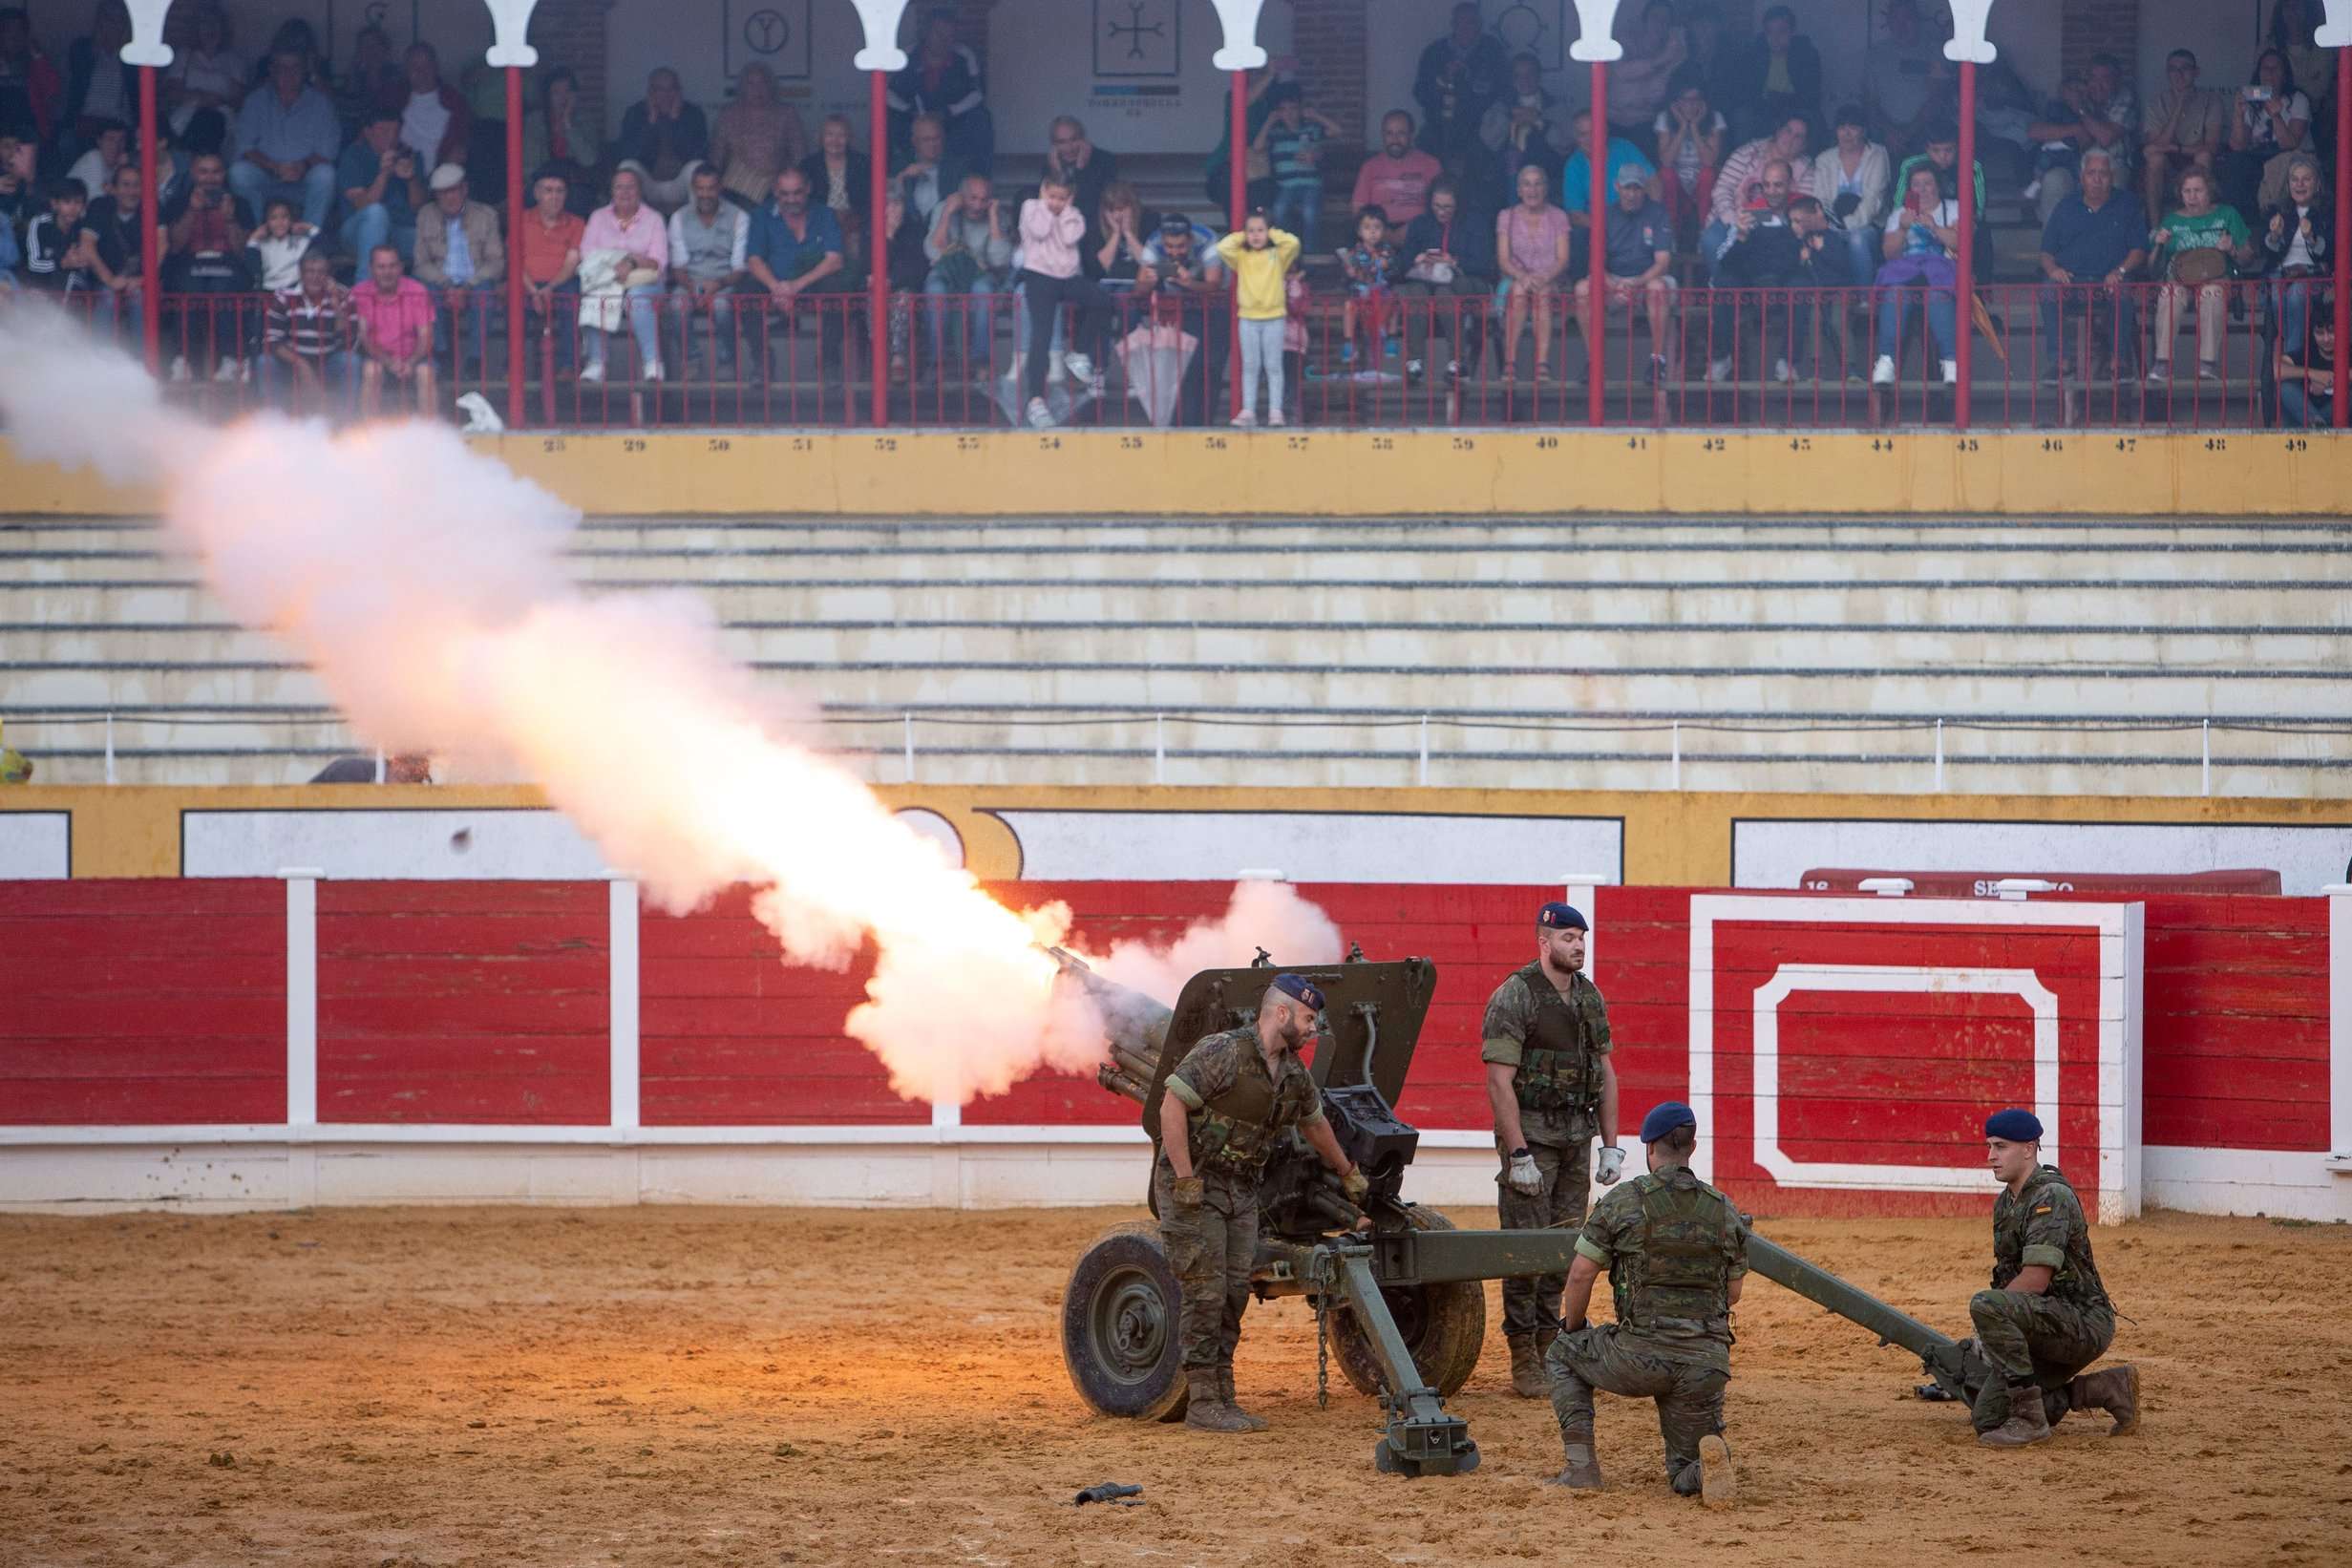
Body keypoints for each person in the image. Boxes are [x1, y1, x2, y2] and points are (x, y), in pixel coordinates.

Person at [1155, 975, 1369, 1434]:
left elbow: (1315, 1126)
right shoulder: (1224, 1051)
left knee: (1234, 1290)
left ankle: (1223, 1395)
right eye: (1309, 1019)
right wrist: (1186, 1178)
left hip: (1241, 1190)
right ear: (1282, 1013)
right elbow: (1171, 1106)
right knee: (1206, 1290)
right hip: (1197, 1187)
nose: (1315, 1028)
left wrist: (1348, 1173)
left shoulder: (1293, 1074)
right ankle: (1202, 1401)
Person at [1545, 1100, 1740, 1502]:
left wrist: (1575, 1327)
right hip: (1704, 1363)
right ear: (1693, 1146)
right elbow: (1732, 1293)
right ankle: (1702, 1471)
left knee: (1562, 1353)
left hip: (1639, 1358)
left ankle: (1581, 1469)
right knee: (1683, 1468)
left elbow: (1581, 1274)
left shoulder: (1624, 1201)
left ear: (1649, 1148)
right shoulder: (1723, 1209)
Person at [1485, 901, 1623, 1397]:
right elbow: (1500, 1082)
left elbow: (1605, 1072)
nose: (1578, 945)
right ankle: (1524, 1354)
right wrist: (1518, 1154)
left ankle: (1552, 1348)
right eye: (1567, 937)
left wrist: (1611, 1146)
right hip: (1535, 1141)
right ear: (1544, 943)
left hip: (1574, 1141)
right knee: (1526, 1249)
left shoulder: (1589, 997)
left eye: (1581, 937)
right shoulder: (1516, 995)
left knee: (1567, 1248)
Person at [1964, 1109, 2140, 1448]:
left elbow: (2034, 1280)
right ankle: (2105, 1389)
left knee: (1985, 1305)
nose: (1990, 1157)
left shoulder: (2050, 1197)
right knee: (1987, 1419)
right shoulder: (2006, 1204)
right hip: (2043, 1320)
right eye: (1989, 1147)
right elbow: (2008, 1281)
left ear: (2029, 1149)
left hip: (2081, 1322)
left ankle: (2030, 1420)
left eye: (2000, 1147)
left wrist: (1991, 1320)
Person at [2036, 147, 2148, 383]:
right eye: (2091, 173)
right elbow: (2046, 253)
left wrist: (2120, 271)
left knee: (2123, 291)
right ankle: (2060, 362)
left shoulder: (2127, 204)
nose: (2097, 179)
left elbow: (2139, 250)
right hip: (2072, 283)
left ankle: (2119, 363)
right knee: (2048, 290)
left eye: (2103, 173)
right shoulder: (2066, 206)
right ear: (2081, 176)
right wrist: (2054, 271)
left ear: (2112, 176)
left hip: (2110, 282)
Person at [1704, 159, 1810, 383]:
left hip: (1786, 279)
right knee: (1724, 281)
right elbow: (1723, 258)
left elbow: (1821, 251)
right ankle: (1721, 358)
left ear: (1790, 184)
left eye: (1778, 185)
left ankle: (1788, 362)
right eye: (1767, 185)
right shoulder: (1753, 212)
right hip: (1752, 281)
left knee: (1800, 285)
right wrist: (1740, 235)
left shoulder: (1804, 209)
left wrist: (1801, 239)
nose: (1772, 191)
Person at [2148, 170, 2253, 385]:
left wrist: (2232, 248)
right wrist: (2158, 244)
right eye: (2187, 191)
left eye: (2198, 190)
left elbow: (2248, 257)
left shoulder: (2227, 214)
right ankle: (2163, 362)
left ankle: (2208, 363)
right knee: (2168, 294)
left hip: (2216, 277)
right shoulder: (2172, 219)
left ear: (2210, 191)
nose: (2192, 197)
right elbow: (2151, 267)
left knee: (2211, 293)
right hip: (2179, 277)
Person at [746, 166, 850, 382]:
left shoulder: (824, 214)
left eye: (797, 192)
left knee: (835, 289)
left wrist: (795, 287)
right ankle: (762, 360)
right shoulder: (762, 215)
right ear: (775, 191)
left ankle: (829, 360)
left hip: (812, 283)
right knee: (746, 290)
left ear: (808, 189)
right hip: (775, 286)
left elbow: (835, 260)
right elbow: (753, 260)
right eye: (785, 194)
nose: (791, 199)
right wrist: (777, 288)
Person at [1576, 166, 1677, 385]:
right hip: (1613, 279)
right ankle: (1594, 361)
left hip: (1648, 279)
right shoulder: (1605, 215)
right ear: (1617, 187)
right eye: (1627, 188)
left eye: (1637, 189)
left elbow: (1663, 262)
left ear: (1645, 190)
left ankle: (1657, 360)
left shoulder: (1658, 213)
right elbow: (1595, 262)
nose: (1631, 194)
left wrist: (1636, 284)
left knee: (1658, 288)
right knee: (1582, 289)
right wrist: (1613, 285)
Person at [161, 150, 253, 380]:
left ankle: (231, 360)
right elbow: (174, 246)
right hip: (189, 263)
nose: (209, 178)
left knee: (224, 293)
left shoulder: (239, 203)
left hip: (228, 263)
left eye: (215, 172)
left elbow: (244, 251)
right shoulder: (178, 203)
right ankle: (183, 360)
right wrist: (192, 210)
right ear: (193, 173)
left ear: (224, 174)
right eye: (203, 172)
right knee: (188, 291)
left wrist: (230, 218)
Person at [1870, 163, 1961, 388]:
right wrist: (1902, 229)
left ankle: (1951, 361)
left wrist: (1934, 227)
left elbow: (1960, 243)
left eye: (1928, 183)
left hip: (1942, 272)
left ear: (1938, 186)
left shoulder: (1954, 207)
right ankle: (1886, 361)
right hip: (1906, 272)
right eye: (1916, 185)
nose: (1923, 189)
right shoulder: (1899, 214)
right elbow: (1889, 254)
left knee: (1938, 295)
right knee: (1895, 294)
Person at [1134, 210, 1230, 425]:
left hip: (1217, 307)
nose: (1174, 252)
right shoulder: (1154, 242)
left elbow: (1214, 284)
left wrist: (1188, 283)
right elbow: (1139, 286)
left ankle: (1204, 424)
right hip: (1182, 308)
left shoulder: (1207, 239)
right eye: (1169, 247)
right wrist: (1148, 282)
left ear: (1190, 240)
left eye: (1180, 247)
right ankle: (1182, 424)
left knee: (1211, 367)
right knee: (1185, 368)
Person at [1395, 177, 1493, 385]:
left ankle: (1457, 361)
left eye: (1448, 207)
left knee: (1444, 295)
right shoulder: (1421, 224)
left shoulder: (1474, 223)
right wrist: (1418, 258)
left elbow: (1485, 264)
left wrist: (1454, 261)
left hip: (1465, 283)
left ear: (1458, 204)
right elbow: (1402, 264)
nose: (1441, 212)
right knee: (1416, 293)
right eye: (1437, 206)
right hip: (1426, 283)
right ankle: (1414, 362)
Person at [229, 48, 338, 229]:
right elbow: (245, 146)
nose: (289, 73)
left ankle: (308, 238)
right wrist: (275, 167)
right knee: (239, 173)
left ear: (304, 71)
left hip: (304, 179)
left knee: (325, 175)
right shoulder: (256, 101)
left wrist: (302, 166)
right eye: (282, 68)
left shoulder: (320, 103)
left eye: (295, 68)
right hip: (267, 177)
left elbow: (328, 151)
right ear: (272, 70)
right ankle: (257, 237)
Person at [578, 167, 667, 383]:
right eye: (619, 187)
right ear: (611, 191)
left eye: (630, 187)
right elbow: (587, 253)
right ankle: (596, 363)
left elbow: (659, 262)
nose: (625, 192)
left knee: (637, 298)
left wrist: (632, 261)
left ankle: (652, 363)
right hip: (607, 280)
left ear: (640, 191)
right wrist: (616, 266)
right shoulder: (598, 217)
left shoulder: (654, 219)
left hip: (644, 281)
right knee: (596, 298)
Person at [2025, 53, 2137, 225]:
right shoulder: (2077, 94)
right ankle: (2052, 247)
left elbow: (2105, 137)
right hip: (2074, 163)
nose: (2098, 85)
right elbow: (2034, 131)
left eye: (2105, 79)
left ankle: (2105, 247)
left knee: (2112, 183)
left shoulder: (2124, 97)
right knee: (2054, 180)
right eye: (2093, 78)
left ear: (2116, 80)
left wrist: (2080, 109)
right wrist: (2075, 128)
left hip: (2112, 163)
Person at [413, 164, 504, 370]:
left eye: (453, 190)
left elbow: (496, 262)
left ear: (464, 189)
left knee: (485, 292)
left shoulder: (486, 215)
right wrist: (446, 284)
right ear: (436, 195)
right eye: (443, 193)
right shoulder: (425, 215)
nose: (449, 198)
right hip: (440, 281)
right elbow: (421, 263)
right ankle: (441, 352)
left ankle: (475, 358)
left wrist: (467, 286)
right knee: (424, 290)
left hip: (475, 281)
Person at [1217, 209, 1302, 428]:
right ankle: (1249, 410)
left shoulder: (1278, 255)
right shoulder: (1241, 256)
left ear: (1269, 231)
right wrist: (1241, 235)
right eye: (1251, 231)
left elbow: (1293, 243)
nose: (1256, 235)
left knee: (1273, 365)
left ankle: (1275, 411)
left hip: (1274, 317)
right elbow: (1222, 247)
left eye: (1260, 230)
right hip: (1248, 317)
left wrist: (1272, 233)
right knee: (1250, 366)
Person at [922, 171, 1011, 373]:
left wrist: (994, 220)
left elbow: (999, 260)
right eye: (973, 198)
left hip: (981, 275)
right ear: (961, 196)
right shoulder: (943, 209)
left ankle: (981, 360)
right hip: (946, 272)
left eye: (984, 200)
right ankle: (936, 362)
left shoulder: (997, 215)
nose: (978, 205)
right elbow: (932, 251)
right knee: (935, 289)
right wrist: (947, 214)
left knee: (983, 289)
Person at [888, 6, 991, 174]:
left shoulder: (964, 57)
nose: (944, 40)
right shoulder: (906, 56)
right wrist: (909, 111)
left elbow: (977, 93)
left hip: (951, 122)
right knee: (885, 121)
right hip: (911, 118)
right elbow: (887, 93)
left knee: (981, 119)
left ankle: (979, 179)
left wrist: (949, 112)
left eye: (950, 35)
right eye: (939, 34)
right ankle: (887, 177)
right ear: (926, 32)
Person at [667, 165, 749, 375]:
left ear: (720, 188)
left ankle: (727, 361)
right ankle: (691, 360)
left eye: (710, 188)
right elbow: (678, 267)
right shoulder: (678, 218)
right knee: (677, 304)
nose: (705, 194)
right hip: (690, 282)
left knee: (721, 306)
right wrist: (693, 287)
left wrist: (717, 285)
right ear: (693, 189)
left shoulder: (739, 217)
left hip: (725, 282)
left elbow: (739, 268)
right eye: (700, 189)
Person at [1704, 114, 1810, 274]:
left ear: (1804, 144)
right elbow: (1722, 189)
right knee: (1711, 239)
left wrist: (1759, 216)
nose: (1791, 138)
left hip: (1780, 223)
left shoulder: (1806, 167)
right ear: (1778, 131)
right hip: (1733, 215)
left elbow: (1803, 207)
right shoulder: (1748, 153)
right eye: (1788, 131)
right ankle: (1722, 291)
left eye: (1799, 136)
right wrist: (1734, 220)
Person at [1495, 163, 1572, 385]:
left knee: (1543, 292)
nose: (1532, 190)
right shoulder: (1506, 216)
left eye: (1538, 184)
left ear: (1546, 188)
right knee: (1519, 292)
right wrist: (1523, 277)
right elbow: (1502, 259)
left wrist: (1543, 277)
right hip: (1515, 279)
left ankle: (1542, 364)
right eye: (1527, 184)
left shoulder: (1558, 216)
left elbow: (1563, 259)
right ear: (1519, 190)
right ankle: (1510, 362)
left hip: (1550, 281)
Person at [2223, 49, 2312, 225]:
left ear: (2285, 74)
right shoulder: (2253, 100)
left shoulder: (2297, 99)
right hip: (2259, 156)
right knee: (2236, 162)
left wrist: (2276, 115)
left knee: (2280, 164)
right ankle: (2239, 230)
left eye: (2275, 68)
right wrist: (2239, 114)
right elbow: (2237, 146)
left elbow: (2290, 144)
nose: (2270, 73)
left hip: (2291, 157)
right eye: (2265, 68)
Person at [1413, 2, 1507, 167]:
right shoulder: (1434, 52)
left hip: (1480, 128)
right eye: (1460, 22)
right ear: (1452, 25)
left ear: (1480, 25)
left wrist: (1470, 78)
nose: (1465, 27)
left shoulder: (1492, 50)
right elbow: (1420, 93)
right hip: (1439, 127)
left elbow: (1503, 90)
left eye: (1471, 22)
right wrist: (1443, 79)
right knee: (1425, 152)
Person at [261, 248, 353, 414]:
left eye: (321, 272)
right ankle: (275, 422)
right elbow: (272, 340)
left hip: (327, 362)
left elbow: (346, 340)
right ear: (301, 274)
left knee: (351, 361)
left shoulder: (343, 295)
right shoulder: (283, 296)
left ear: (328, 275)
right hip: (291, 363)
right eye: (310, 271)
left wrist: (336, 305)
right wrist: (301, 364)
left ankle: (345, 423)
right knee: (265, 362)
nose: (315, 277)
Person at [2138, 50, 2226, 224]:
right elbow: (2156, 145)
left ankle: (2200, 223)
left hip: (2197, 164)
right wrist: (2179, 107)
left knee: (2203, 156)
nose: (2178, 75)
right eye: (2173, 69)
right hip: (2168, 167)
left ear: (2196, 72)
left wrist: (2176, 148)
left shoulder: (2211, 100)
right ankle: (2155, 229)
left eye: (2185, 69)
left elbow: (2211, 145)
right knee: (2155, 159)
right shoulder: (2157, 102)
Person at [1715, 3, 1819, 146]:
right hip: (1762, 108)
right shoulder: (1754, 53)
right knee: (1742, 115)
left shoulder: (1806, 54)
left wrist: (1784, 101)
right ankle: (1743, 159)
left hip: (1795, 108)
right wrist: (1766, 101)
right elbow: (1745, 91)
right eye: (1770, 32)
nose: (1775, 38)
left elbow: (1811, 95)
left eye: (1781, 31)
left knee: (1813, 119)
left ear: (1792, 32)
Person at [1808, 103, 1889, 285]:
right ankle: (1833, 300)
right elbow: (1821, 200)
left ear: (1864, 131)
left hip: (1870, 224)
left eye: (1853, 127)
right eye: (1842, 127)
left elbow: (1873, 201)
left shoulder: (1878, 154)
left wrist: (1846, 227)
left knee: (1857, 239)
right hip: (1832, 225)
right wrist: (1833, 227)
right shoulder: (1824, 159)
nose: (1847, 133)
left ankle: (1865, 301)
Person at [1478, 53, 1572, 210]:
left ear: (1539, 76)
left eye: (1530, 74)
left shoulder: (1555, 106)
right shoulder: (1500, 105)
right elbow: (1488, 141)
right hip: (1506, 184)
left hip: (1550, 181)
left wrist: (1540, 122)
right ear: (1512, 79)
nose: (1525, 80)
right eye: (1518, 76)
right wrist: (1510, 119)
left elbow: (1567, 144)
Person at [351, 243, 435, 415]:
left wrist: (410, 362)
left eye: (392, 266)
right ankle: (369, 432)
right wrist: (389, 362)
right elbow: (364, 337)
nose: (387, 272)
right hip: (377, 357)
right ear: (371, 269)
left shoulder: (417, 291)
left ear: (400, 268)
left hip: (414, 358)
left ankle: (429, 431)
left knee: (426, 373)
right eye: (381, 267)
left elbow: (425, 336)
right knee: (371, 371)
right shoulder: (360, 293)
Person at [2259, 155, 2330, 358]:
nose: (2299, 184)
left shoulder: (2327, 212)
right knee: (2275, 297)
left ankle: (2291, 356)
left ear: (2317, 184)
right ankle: (2294, 354)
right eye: (2294, 179)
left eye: (2306, 179)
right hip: (2281, 273)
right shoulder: (2278, 211)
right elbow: (2268, 254)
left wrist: (2312, 238)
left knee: (2297, 296)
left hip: (2314, 274)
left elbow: (2331, 253)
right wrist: (2274, 236)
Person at [710, 63, 806, 212]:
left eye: (763, 83)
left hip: (777, 188)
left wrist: (791, 184)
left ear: (771, 86)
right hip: (736, 189)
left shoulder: (786, 113)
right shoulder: (728, 115)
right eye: (751, 83)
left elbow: (799, 156)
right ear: (742, 87)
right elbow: (716, 158)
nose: (757, 89)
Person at [517, 169, 585, 375]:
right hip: (527, 282)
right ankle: (513, 366)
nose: (554, 196)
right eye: (548, 191)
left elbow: (572, 261)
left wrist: (549, 288)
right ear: (536, 193)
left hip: (561, 282)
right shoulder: (520, 220)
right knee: (514, 304)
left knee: (571, 301)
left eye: (560, 191)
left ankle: (569, 366)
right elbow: (515, 261)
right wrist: (532, 291)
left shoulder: (576, 223)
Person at [615, 68, 710, 216]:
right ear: (650, 92)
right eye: (660, 90)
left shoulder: (693, 113)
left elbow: (696, 155)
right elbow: (629, 154)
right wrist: (651, 122)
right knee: (628, 166)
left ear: (679, 91)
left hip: (680, 185)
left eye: (671, 89)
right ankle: (633, 229)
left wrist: (675, 120)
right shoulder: (635, 113)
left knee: (696, 167)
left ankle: (695, 224)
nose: (666, 95)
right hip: (649, 184)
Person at [1257, 83, 1340, 245]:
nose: (1289, 113)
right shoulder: (1275, 133)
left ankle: (1310, 253)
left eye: (1293, 108)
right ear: (1278, 112)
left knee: (1310, 212)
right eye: (1283, 109)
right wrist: (1269, 121)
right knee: (1279, 210)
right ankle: (1287, 249)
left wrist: (1316, 116)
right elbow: (1258, 146)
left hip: (1311, 184)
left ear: (1300, 109)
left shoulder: (1311, 129)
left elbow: (1337, 130)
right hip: (1286, 185)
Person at [1560, 109, 1658, 246]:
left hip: (1635, 219)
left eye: (1594, 132)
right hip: (1598, 228)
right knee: (1579, 236)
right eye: (1583, 134)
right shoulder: (1574, 164)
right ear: (1576, 138)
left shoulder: (1624, 148)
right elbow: (1575, 214)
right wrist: (1609, 229)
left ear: (1605, 131)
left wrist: (1650, 216)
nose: (1590, 139)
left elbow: (1653, 182)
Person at [338, 109, 424, 265]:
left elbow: (419, 208)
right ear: (368, 132)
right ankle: (365, 286)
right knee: (376, 213)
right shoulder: (353, 156)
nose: (391, 137)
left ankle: (418, 288)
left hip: (401, 230)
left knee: (435, 241)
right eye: (384, 131)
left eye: (396, 131)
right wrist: (384, 174)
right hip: (358, 231)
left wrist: (411, 178)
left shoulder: (410, 155)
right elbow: (362, 205)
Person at [1655, 72, 1727, 252]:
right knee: (1666, 175)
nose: (1690, 105)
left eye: (1695, 100)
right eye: (1685, 100)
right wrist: (1681, 128)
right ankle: (1670, 234)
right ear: (1676, 101)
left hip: (1702, 182)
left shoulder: (1715, 118)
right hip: (1677, 182)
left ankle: (1705, 233)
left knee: (1708, 174)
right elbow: (1666, 161)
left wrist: (1694, 126)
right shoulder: (1664, 118)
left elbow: (1709, 161)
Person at [1865, 0, 1940, 158]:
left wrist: (1907, 133)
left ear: (1917, 20)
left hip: (1924, 134)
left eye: (1907, 18)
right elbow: (1869, 101)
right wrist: (1890, 132)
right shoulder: (1875, 55)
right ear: (1889, 22)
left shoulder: (1933, 52)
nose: (1901, 25)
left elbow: (1936, 99)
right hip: (1885, 135)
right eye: (1896, 19)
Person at [520, 68, 601, 217]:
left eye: (568, 92)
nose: (563, 97)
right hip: (541, 183)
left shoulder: (585, 120)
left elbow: (589, 160)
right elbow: (528, 165)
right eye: (556, 93)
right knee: (533, 197)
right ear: (547, 96)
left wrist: (568, 125)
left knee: (576, 199)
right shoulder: (534, 121)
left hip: (575, 184)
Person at [798, 114, 872, 267]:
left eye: (841, 135)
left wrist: (850, 217)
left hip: (854, 222)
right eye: (829, 135)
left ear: (849, 138)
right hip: (819, 222)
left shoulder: (862, 163)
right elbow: (803, 200)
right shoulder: (809, 165)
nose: (835, 141)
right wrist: (829, 217)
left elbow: (869, 200)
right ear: (820, 138)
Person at [161, 2, 242, 141]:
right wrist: (199, 97)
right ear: (196, 28)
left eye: (216, 23)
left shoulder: (233, 59)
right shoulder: (185, 55)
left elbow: (238, 101)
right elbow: (171, 93)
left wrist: (218, 101)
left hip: (221, 119)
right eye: (205, 23)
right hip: (188, 119)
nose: (211, 29)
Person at [1609, 1, 1690, 139]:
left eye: (1666, 19)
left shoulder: (1673, 51)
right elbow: (1621, 71)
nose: (1660, 23)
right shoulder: (1624, 41)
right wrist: (1661, 60)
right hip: (1614, 121)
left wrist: (1679, 50)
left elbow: (1659, 91)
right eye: (1656, 17)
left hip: (1647, 124)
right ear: (1644, 20)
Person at [1352, 111, 1443, 230]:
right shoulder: (1370, 167)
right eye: (1389, 133)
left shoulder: (1431, 164)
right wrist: (1383, 234)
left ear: (1411, 135)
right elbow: (1358, 209)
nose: (1395, 139)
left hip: (1420, 232)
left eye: (1401, 133)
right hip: (1379, 233)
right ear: (1383, 135)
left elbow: (1442, 207)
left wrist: (1412, 231)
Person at [1336, 203, 1397, 368]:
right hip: (1361, 294)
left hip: (1381, 293)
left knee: (1393, 299)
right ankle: (1349, 342)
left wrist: (1381, 264)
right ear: (1359, 231)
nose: (1372, 232)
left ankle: (1390, 335)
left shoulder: (1387, 250)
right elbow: (1351, 272)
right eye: (1367, 227)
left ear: (1384, 230)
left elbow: (1388, 267)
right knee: (1349, 305)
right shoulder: (1355, 252)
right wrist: (1350, 271)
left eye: (1377, 227)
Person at [396, 43, 470, 172]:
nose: (421, 72)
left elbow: (464, 140)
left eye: (427, 66)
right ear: (406, 70)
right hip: (402, 177)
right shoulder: (394, 101)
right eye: (415, 67)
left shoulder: (455, 101)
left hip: (444, 177)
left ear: (436, 67)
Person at [1043, 116, 1117, 238]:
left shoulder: (1105, 161)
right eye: (1062, 142)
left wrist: (1081, 170)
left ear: (1083, 138)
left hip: (1094, 228)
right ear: (1054, 145)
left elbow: (1092, 204)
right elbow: (1048, 204)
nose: (1070, 147)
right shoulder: (1051, 165)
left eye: (1074, 139)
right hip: (1059, 229)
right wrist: (1057, 174)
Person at [331, 26, 402, 141]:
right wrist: (352, 72)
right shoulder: (358, 75)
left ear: (385, 48)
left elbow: (387, 109)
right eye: (365, 46)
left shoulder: (396, 74)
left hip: (386, 131)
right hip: (358, 133)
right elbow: (346, 108)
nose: (370, 50)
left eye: (375, 45)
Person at [892, 113, 958, 230]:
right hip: (906, 235)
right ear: (915, 141)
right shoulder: (900, 165)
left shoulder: (957, 167)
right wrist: (902, 177)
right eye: (926, 140)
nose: (932, 144)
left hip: (945, 233)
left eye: (936, 138)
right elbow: (887, 204)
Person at [244, 195, 314, 293]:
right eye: (273, 218)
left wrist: (309, 228)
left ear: (291, 220)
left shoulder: (300, 241)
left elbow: (323, 246)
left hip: (294, 289)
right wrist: (253, 238)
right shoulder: (262, 244)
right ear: (266, 222)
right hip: (268, 290)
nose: (280, 222)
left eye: (284, 217)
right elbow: (250, 263)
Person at [2277, 309, 2335, 427]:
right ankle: (2318, 426)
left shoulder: (2348, 351)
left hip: (2337, 417)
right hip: (2306, 415)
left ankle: (2316, 428)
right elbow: (2274, 369)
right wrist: (2312, 373)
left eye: (2332, 332)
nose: (2326, 339)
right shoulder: (2308, 352)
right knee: (2285, 387)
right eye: (2320, 333)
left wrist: (2332, 381)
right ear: (2312, 334)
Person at [62, 117, 126, 211]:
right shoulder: (93, 158)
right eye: (110, 139)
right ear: (99, 141)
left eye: (121, 140)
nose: (116, 145)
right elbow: (97, 203)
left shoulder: (120, 164)